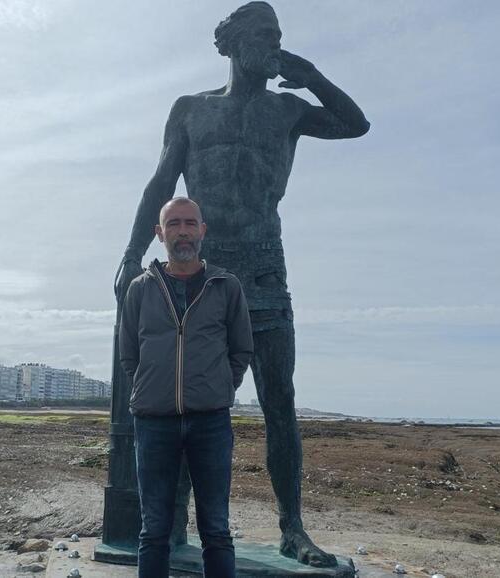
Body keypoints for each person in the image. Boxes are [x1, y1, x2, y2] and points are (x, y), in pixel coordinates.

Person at [115, 1, 369, 567]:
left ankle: (292, 528)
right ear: (231, 44)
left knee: (280, 400)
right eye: (263, 34)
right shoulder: (190, 110)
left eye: (279, 35)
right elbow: (161, 182)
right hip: (201, 273)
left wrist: (313, 77)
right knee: (190, 402)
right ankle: (174, 523)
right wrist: (133, 253)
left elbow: (357, 125)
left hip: (264, 265)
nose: (274, 43)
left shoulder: (288, 111)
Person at [120, 197, 254, 578]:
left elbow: (241, 348)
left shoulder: (226, 286)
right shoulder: (139, 289)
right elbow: (129, 354)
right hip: (153, 422)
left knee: (216, 529)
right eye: (173, 223)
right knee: (154, 531)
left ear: (202, 231)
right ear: (159, 233)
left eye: (190, 223)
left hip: (210, 423)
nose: (182, 231)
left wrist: (220, 386)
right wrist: (152, 388)